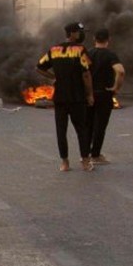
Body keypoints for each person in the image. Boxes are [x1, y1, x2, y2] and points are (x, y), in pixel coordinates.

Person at [36, 22, 94, 171]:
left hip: (60, 97)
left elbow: (39, 67)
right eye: (80, 32)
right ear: (73, 33)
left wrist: (53, 77)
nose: (82, 35)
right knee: (82, 129)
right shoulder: (80, 50)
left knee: (61, 131)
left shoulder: (54, 50)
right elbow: (86, 74)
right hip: (77, 97)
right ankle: (86, 162)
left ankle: (64, 163)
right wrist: (90, 94)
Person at [86, 28, 124, 164]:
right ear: (108, 40)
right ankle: (95, 155)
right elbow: (120, 71)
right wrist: (116, 87)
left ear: (94, 39)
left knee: (88, 125)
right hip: (104, 94)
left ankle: (85, 154)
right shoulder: (110, 55)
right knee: (100, 125)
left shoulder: (88, 54)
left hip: (89, 94)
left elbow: (81, 72)